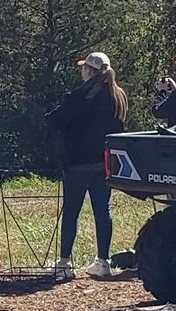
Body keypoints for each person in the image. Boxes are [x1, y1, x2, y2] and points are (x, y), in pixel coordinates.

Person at [44, 50, 127, 280]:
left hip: (77, 164)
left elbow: (55, 120)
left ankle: (64, 263)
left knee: (71, 212)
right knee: (103, 212)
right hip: (104, 165)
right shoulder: (118, 96)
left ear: (89, 71)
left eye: (83, 68)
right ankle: (103, 261)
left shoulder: (80, 97)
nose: (81, 71)